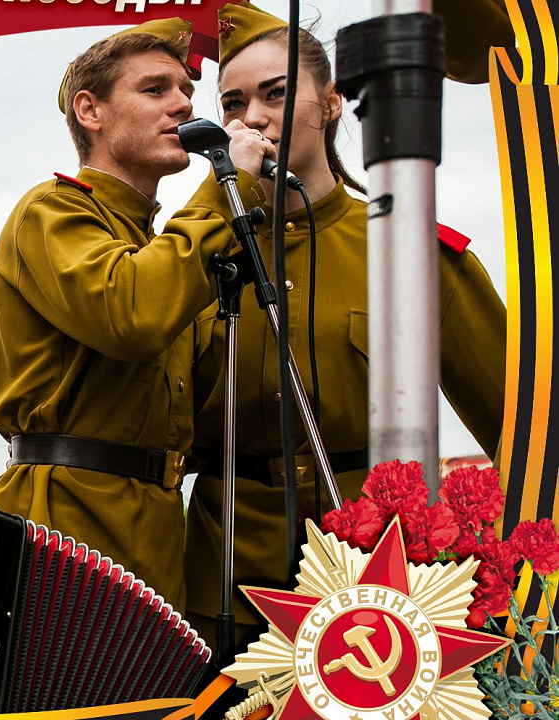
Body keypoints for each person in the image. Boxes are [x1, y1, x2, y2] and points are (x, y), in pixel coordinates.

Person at [184, 2, 507, 647]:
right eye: (232, 103)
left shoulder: (412, 247)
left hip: (381, 588)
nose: (252, 118)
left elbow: (526, 428)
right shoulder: (194, 258)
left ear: (331, 103)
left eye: (276, 93)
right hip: (227, 587)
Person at [0, 18, 275, 610]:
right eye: (154, 89)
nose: (184, 105)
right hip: (64, 519)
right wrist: (226, 189)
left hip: (160, 524)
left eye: (187, 91)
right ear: (90, 111)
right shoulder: (52, 211)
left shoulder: (165, 249)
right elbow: (132, 315)